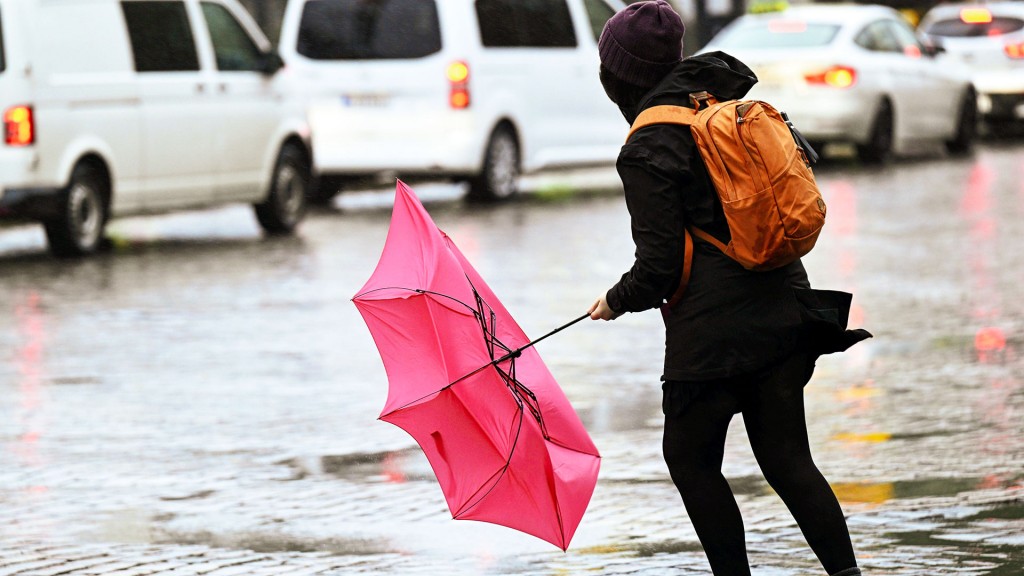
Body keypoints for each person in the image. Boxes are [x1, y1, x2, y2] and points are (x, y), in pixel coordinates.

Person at [586, 2, 869, 575]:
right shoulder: (719, 103)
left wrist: (615, 300)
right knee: (790, 461)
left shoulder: (647, 145)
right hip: (788, 308)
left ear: (618, 74)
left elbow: (659, 268)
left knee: (689, 460)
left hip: (714, 336)